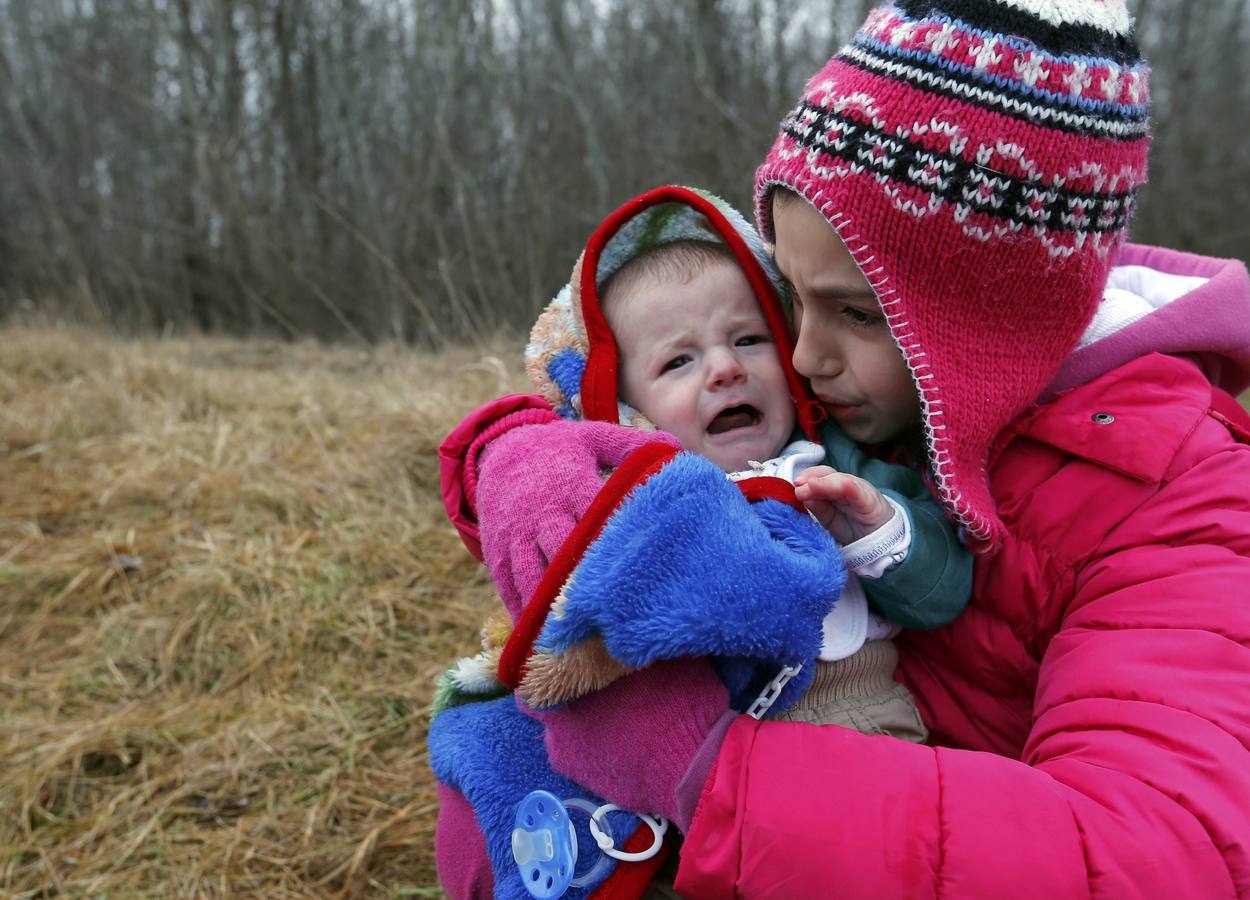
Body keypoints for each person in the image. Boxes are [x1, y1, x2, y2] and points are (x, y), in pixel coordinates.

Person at [437, 0, 1250, 896]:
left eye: (859, 313)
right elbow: (632, 413)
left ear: (996, 325)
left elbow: (1156, 858)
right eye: (790, 296)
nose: (798, 355)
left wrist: (708, 775)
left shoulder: (1187, 506)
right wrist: (510, 455)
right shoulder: (863, 395)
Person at [431, 187, 970, 897]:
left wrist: (878, 528)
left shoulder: (833, 464)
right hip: (682, 764)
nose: (724, 368)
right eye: (677, 363)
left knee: (883, 861)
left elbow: (945, 589)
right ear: (628, 407)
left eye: (747, 340)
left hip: (858, 722)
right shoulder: (633, 499)